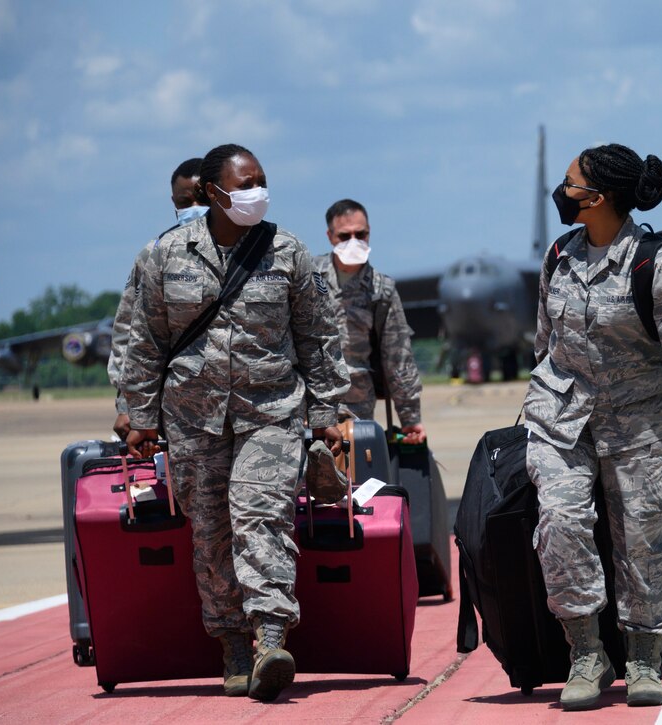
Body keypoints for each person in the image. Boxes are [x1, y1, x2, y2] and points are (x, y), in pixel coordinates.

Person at [122, 144, 350, 701]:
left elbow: (318, 339)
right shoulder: (164, 255)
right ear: (212, 192)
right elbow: (142, 341)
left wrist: (325, 414)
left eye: (262, 181)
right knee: (211, 533)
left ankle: (271, 636)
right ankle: (232, 644)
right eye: (245, 183)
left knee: (261, 513)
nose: (257, 192)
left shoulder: (289, 253)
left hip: (270, 412)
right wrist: (139, 416)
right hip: (192, 420)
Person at [524, 144, 662, 710]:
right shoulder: (559, 255)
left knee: (641, 540)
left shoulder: (654, 262)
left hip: (641, 421)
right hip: (563, 421)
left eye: (571, 185)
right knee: (561, 525)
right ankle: (586, 652)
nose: (562, 194)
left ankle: (644, 655)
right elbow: (546, 342)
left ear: (599, 196)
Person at [108, 157, 208, 439]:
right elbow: (129, 332)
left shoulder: (258, 252)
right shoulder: (154, 254)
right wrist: (128, 405)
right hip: (178, 408)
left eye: (200, 200)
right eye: (184, 203)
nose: (193, 210)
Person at [312, 199, 426, 443]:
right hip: (309, 404)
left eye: (360, 234)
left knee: (356, 476)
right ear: (330, 237)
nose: (354, 241)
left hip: (357, 406)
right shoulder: (308, 278)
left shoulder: (381, 290)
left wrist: (410, 417)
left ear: (369, 233)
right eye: (345, 236)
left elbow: (398, 356)